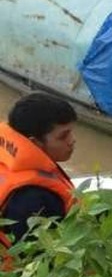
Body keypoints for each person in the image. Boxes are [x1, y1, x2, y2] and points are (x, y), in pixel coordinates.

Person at [0, 92, 77, 250]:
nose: (72, 140)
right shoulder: (32, 200)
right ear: (35, 142)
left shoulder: (7, 163)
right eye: (63, 136)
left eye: (71, 132)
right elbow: (39, 261)